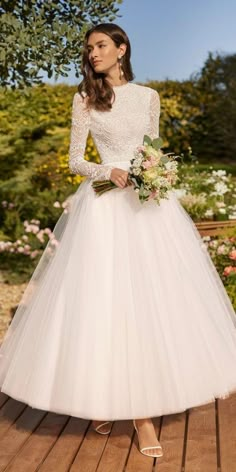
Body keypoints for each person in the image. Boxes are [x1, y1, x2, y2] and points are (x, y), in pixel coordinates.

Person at [1, 22, 236, 460]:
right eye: (89, 48)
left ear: (122, 49)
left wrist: (155, 172)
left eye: (101, 46)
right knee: (103, 307)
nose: (93, 53)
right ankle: (110, 401)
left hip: (149, 211)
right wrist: (106, 170)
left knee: (151, 305)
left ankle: (141, 409)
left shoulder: (149, 97)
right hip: (105, 211)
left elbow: (154, 149)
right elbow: (74, 160)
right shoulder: (84, 99)